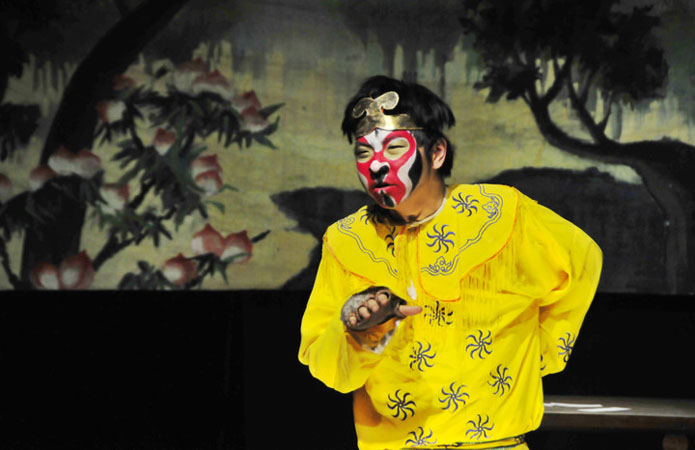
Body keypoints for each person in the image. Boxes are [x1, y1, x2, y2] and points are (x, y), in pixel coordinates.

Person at [298, 75, 602, 450]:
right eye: (364, 153)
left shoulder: (499, 213)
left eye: (394, 148)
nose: (376, 166)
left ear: (437, 153)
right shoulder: (347, 240)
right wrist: (360, 332)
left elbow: (581, 260)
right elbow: (328, 369)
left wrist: (541, 351)